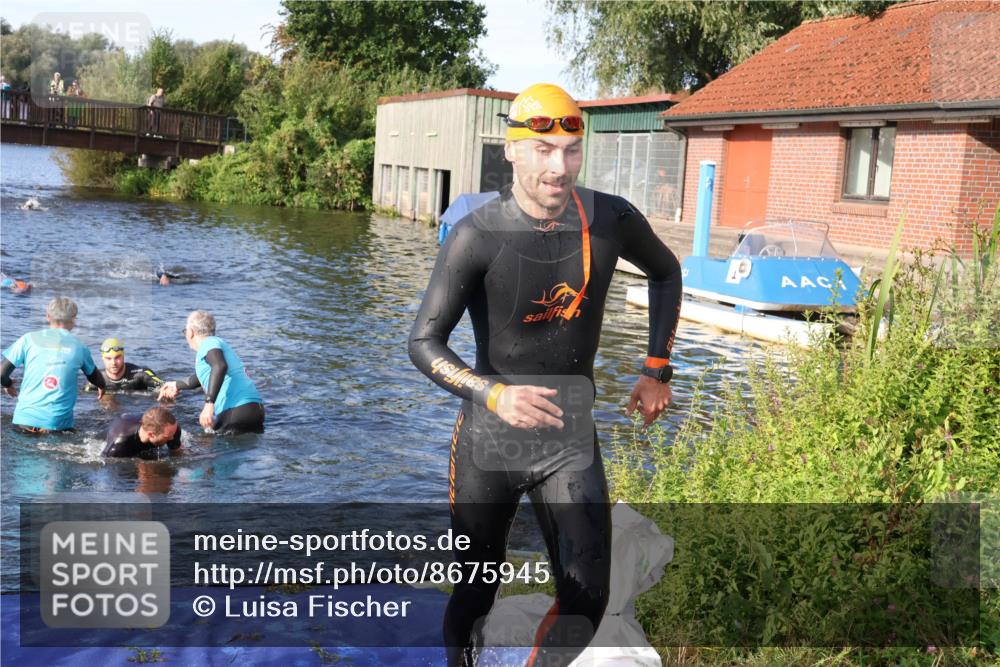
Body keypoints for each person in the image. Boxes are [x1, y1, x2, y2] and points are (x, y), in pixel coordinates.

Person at [408, 83, 682, 667]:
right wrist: (494, 394)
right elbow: (424, 343)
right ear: (511, 150)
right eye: (543, 150)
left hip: (568, 436)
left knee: (587, 597)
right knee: (476, 591)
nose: (559, 167)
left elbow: (666, 271)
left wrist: (656, 368)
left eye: (571, 150)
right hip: (489, 440)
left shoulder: (610, 219)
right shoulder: (476, 235)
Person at [1, 297, 106, 432]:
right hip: (57, 425)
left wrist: (8, 384)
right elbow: (95, 377)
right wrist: (102, 386)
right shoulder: (80, 347)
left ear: (48, 317)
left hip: (24, 421)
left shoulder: (27, 339)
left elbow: (1, 374)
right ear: (73, 319)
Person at [157, 310, 264, 434]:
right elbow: (202, 377)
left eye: (185, 331)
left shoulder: (208, 343)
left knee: (201, 443)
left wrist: (209, 404)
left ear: (190, 333)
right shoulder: (218, 344)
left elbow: (220, 366)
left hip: (236, 410)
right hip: (255, 409)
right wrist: (176, 385)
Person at [87, 337, 165, 392]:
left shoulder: (140, 374)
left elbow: (164, 386)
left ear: (123, 356)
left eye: (117, 357)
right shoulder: (95, 380)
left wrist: (167, 388)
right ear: (103, 359)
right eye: (108, 359)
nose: (113, 363)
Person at [103, 406, 182, 458]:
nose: (172, 438)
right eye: (167, 437)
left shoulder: (172, 430)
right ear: (151, 435)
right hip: (123, 428)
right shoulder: (119, 448)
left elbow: (178, 454)